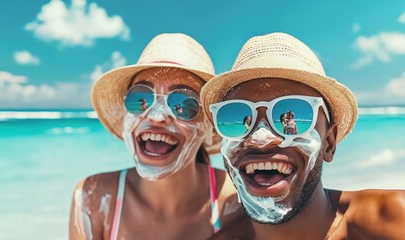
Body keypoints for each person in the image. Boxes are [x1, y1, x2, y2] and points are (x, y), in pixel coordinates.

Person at [201, 32, 405, 239]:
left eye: (296, 113)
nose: (261, 139)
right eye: (241, 116)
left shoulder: (393, 220)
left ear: (329, 142)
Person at [69, 33, 246, 240]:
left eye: (183, 104)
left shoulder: (239, 201)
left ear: (210, 127)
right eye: (140, 99)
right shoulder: (92, 199)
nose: (157, 116)